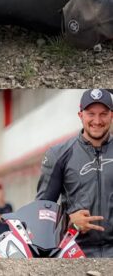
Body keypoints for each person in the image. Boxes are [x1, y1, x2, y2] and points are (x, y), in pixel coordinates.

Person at [36, 88, 113, 257]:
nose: (97, 121)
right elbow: (42, 210)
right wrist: (70, 221)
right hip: (75, 252)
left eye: (103, 114)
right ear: (81, 115)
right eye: (91, 114)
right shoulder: (58, 154)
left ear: (112, 116)